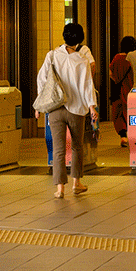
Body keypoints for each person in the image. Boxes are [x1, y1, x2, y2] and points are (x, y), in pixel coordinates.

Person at [36, 23, 98, 199]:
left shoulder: (52, 55)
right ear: (80, 39)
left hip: (55, 108)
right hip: (76, 110)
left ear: (64, 37)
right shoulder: (82, 60)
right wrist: (92, 107)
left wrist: (40, 105)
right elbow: (87, 86)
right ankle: (76, 184)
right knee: (77, 146)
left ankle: (60, 189)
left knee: (58, 149)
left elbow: (41, 79)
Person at [109, 36, 136, 147]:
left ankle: (123, 136)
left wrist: (117, 80)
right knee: (130, 113)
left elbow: (110, 73)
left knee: (118, 114)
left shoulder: (117, 58)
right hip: (131, 90)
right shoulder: (132, 57)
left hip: (118, 91)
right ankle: (133, 135)